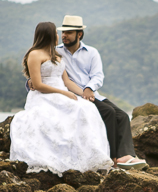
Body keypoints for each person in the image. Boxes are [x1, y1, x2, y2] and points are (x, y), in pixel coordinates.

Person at [9, 22, 114, 175]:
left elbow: (67, 82)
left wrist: (83, 94)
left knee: (87, 108)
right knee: (59, 115)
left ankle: (90, 154)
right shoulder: (34, 54)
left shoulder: (56, 55)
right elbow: (38, 85)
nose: (59, 36)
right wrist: (63, 93)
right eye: (57, 33)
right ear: (49, 35)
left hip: (61, 93)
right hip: (44, 96)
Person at [56, 15, 146, 169]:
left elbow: (98, 76)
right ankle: (112, 158)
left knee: (123, 116)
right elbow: (43, 66)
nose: (64, 35)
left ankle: (125, 155)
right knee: (109, 112)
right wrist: (31, 80)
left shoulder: (92, 52)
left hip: (92, 94)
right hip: (74, 94)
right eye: (63, 32)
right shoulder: (56, 52)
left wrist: (89, 88)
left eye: (69, 32)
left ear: (79, 34)